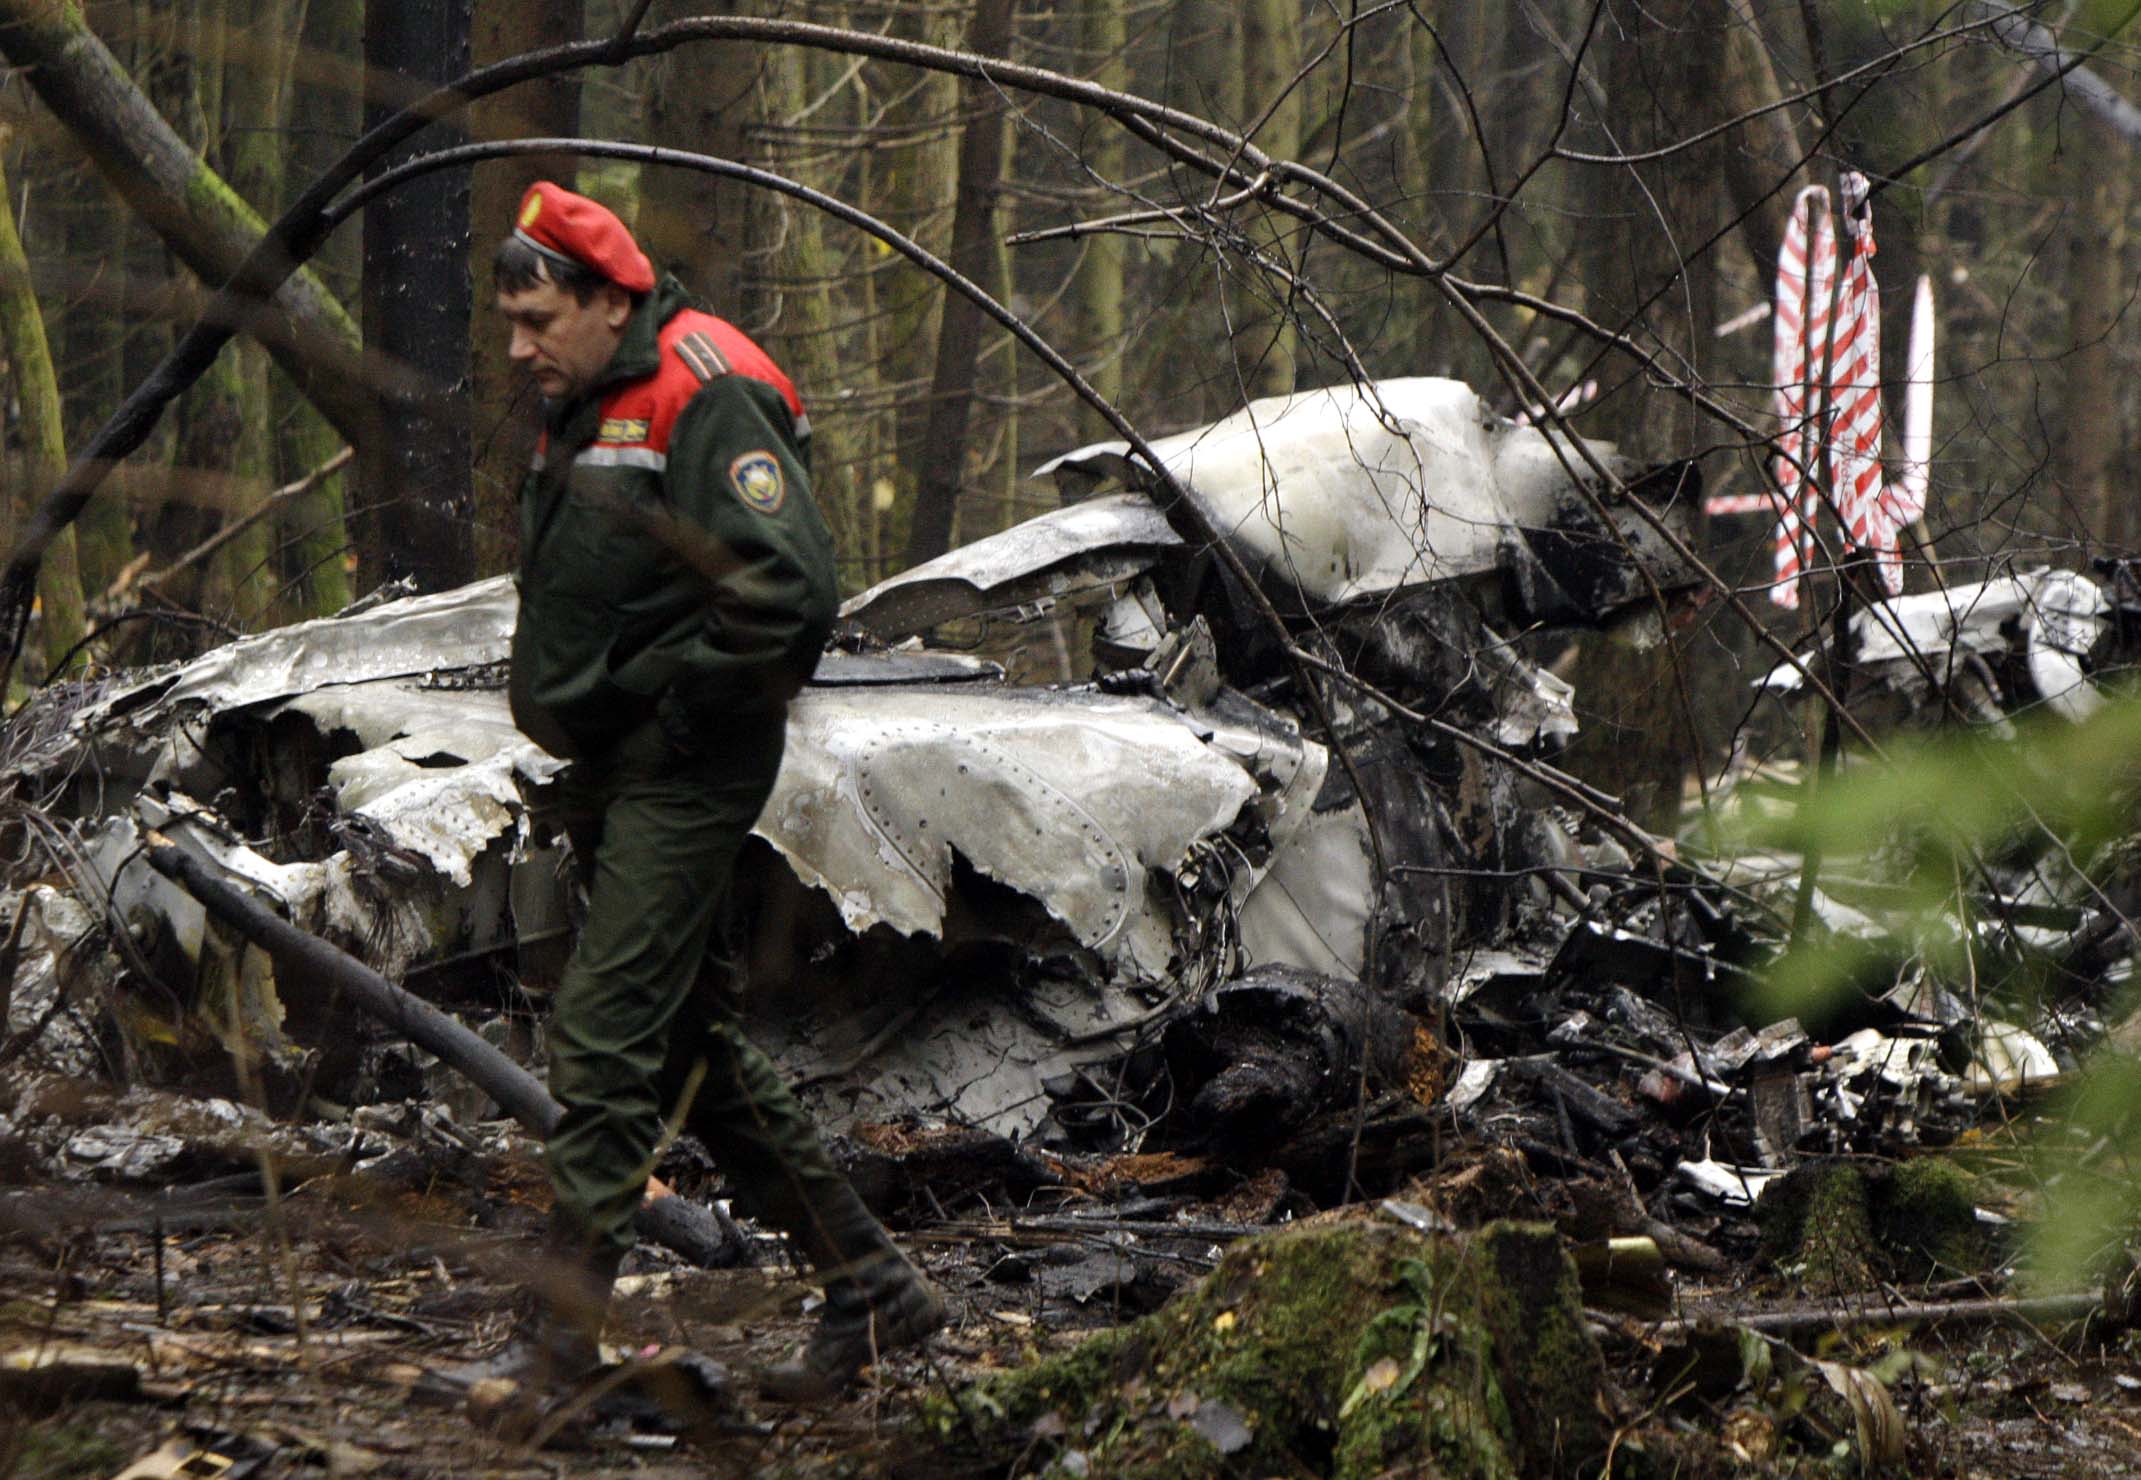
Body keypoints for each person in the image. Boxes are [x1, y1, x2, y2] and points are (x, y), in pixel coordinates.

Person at [455, 180, 944, 1407]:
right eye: (507, 322)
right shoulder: (586, 394)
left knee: (607, 1038)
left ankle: (558, 1350)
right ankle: (874, 1289)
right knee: (685, 1045)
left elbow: (785, 593)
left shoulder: (698, 385)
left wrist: (670, 707)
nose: (516, 347)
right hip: (622, 765)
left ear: (606, 296)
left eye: (535, 320)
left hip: (686, 762)